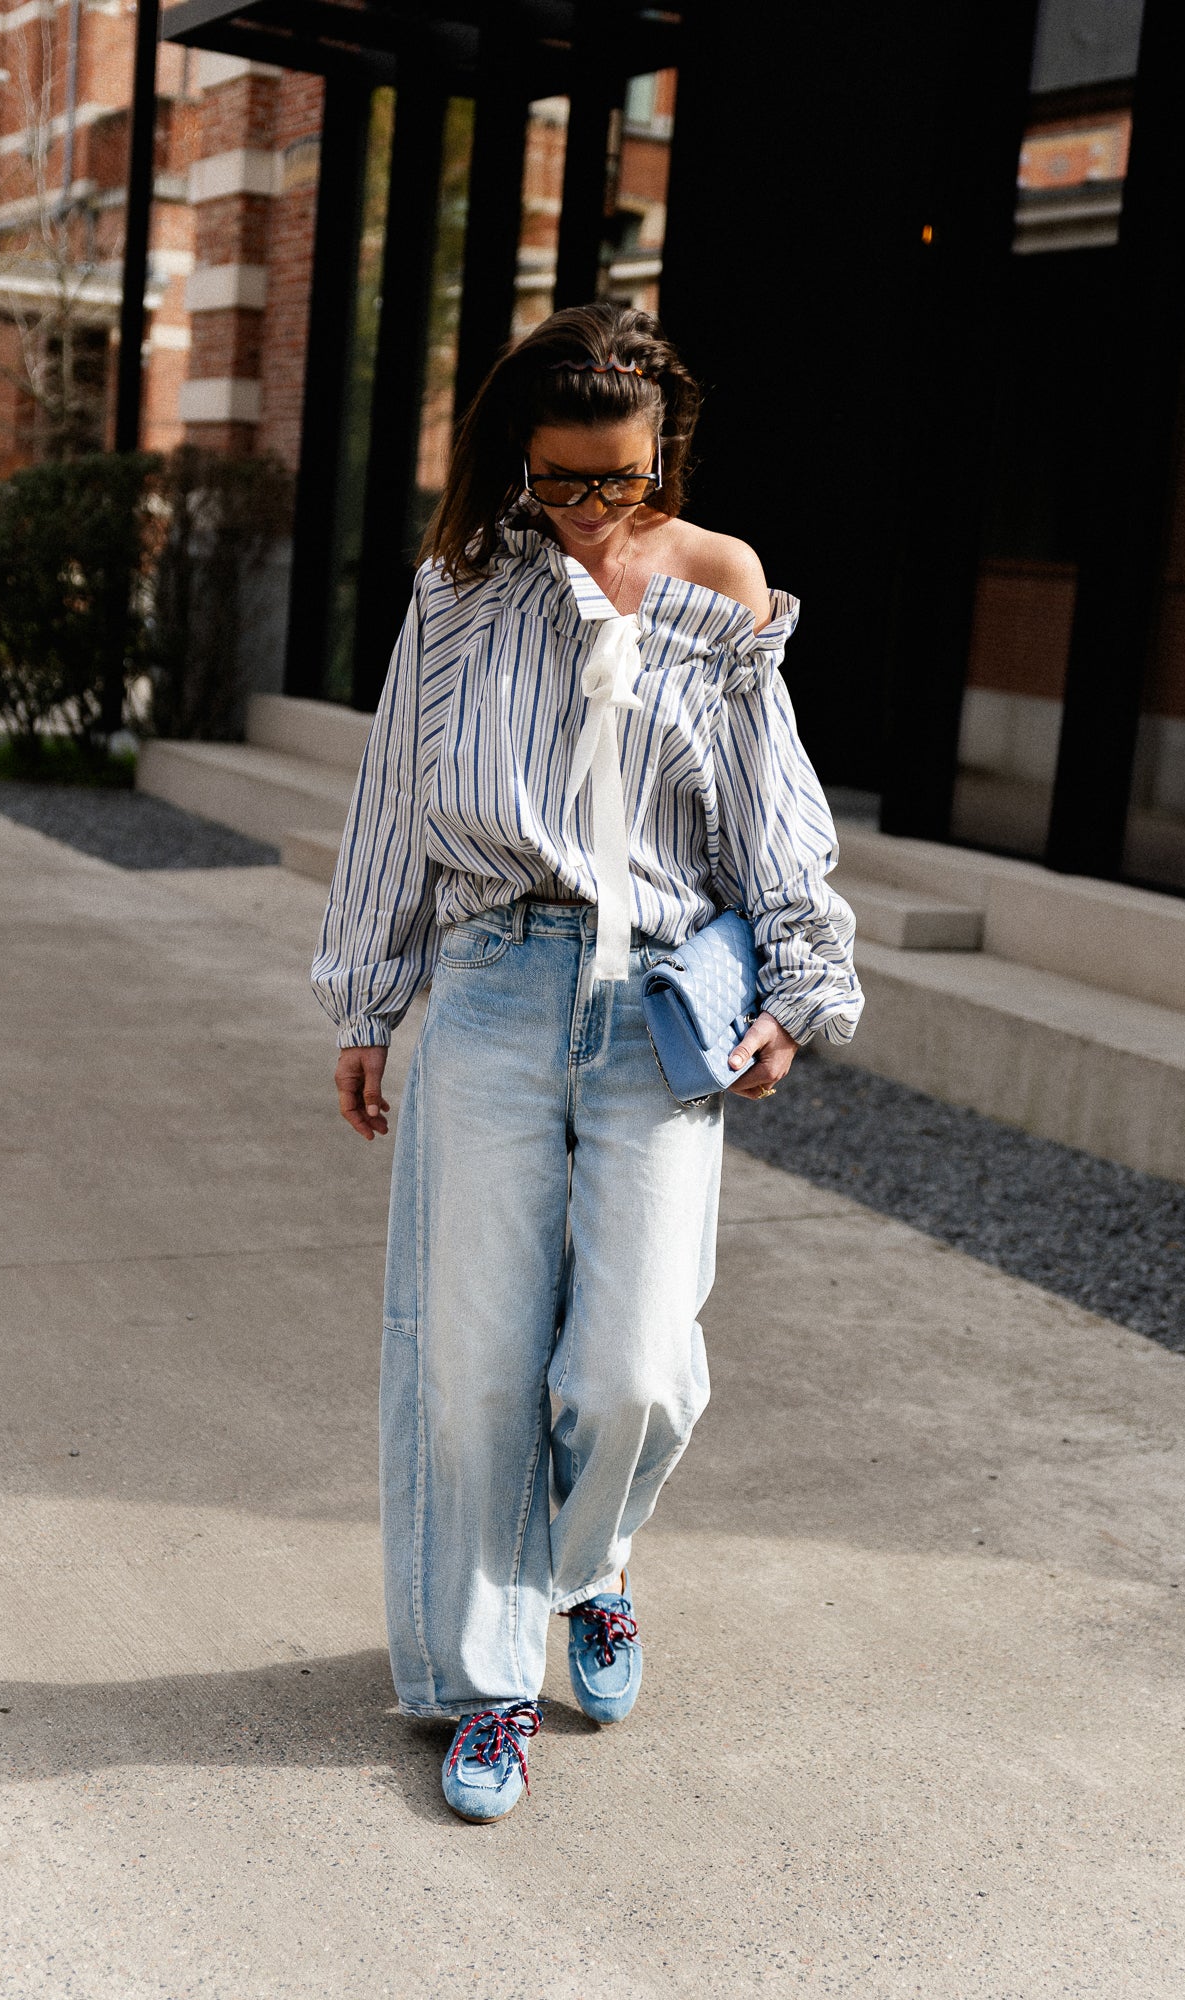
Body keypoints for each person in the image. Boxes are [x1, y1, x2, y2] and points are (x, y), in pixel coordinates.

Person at [313, 301, 862, 1823]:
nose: (589, 512)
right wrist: (369, 1000)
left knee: (632, 1368)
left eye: (618, 479)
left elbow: (772, 811)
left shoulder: (719, 585)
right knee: (469, 1363)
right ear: (514, 458)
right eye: (559, 480)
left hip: (659, 1008)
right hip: (492, 987)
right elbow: (395, 796)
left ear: (661, 455)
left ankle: (588, 1562)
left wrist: (794, 996)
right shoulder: (464, 584)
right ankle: (489, 1688)